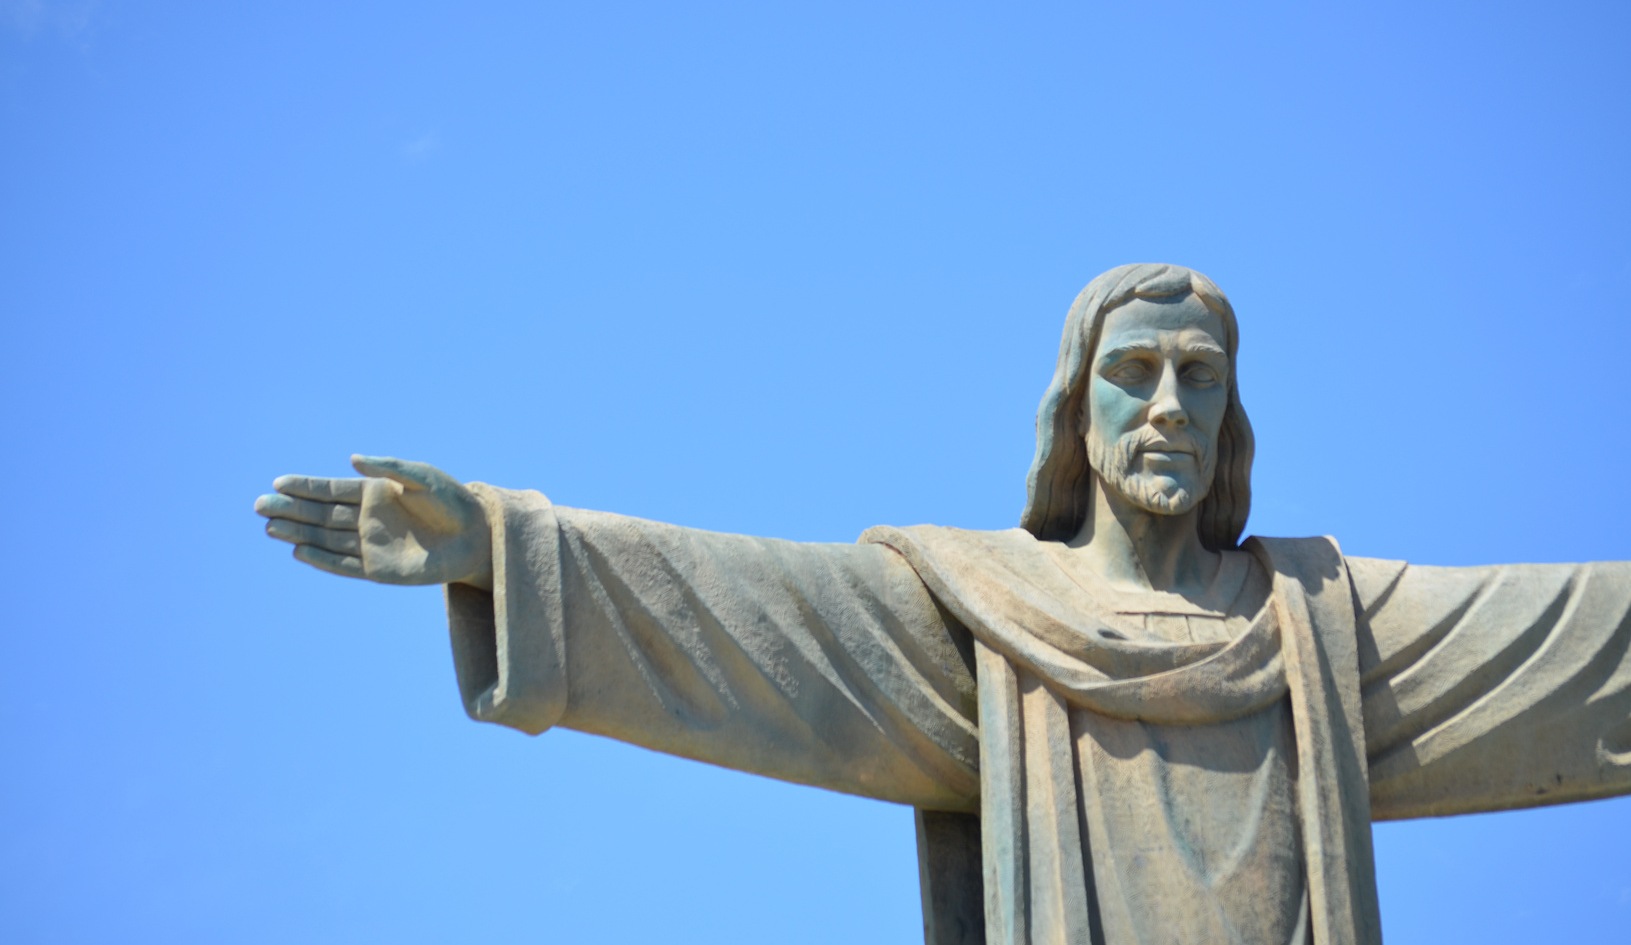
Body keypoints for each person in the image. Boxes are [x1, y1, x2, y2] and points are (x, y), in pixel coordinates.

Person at [256, 263, 1631, 945]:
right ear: (1072, 407)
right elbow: (750, 620)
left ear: (1233, 410)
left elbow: (1570, 646)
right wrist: (505, 544)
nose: (1168, 406)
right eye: (1134, 370)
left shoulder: (1322, 624)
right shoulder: (981, 615)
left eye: (1199, 376)